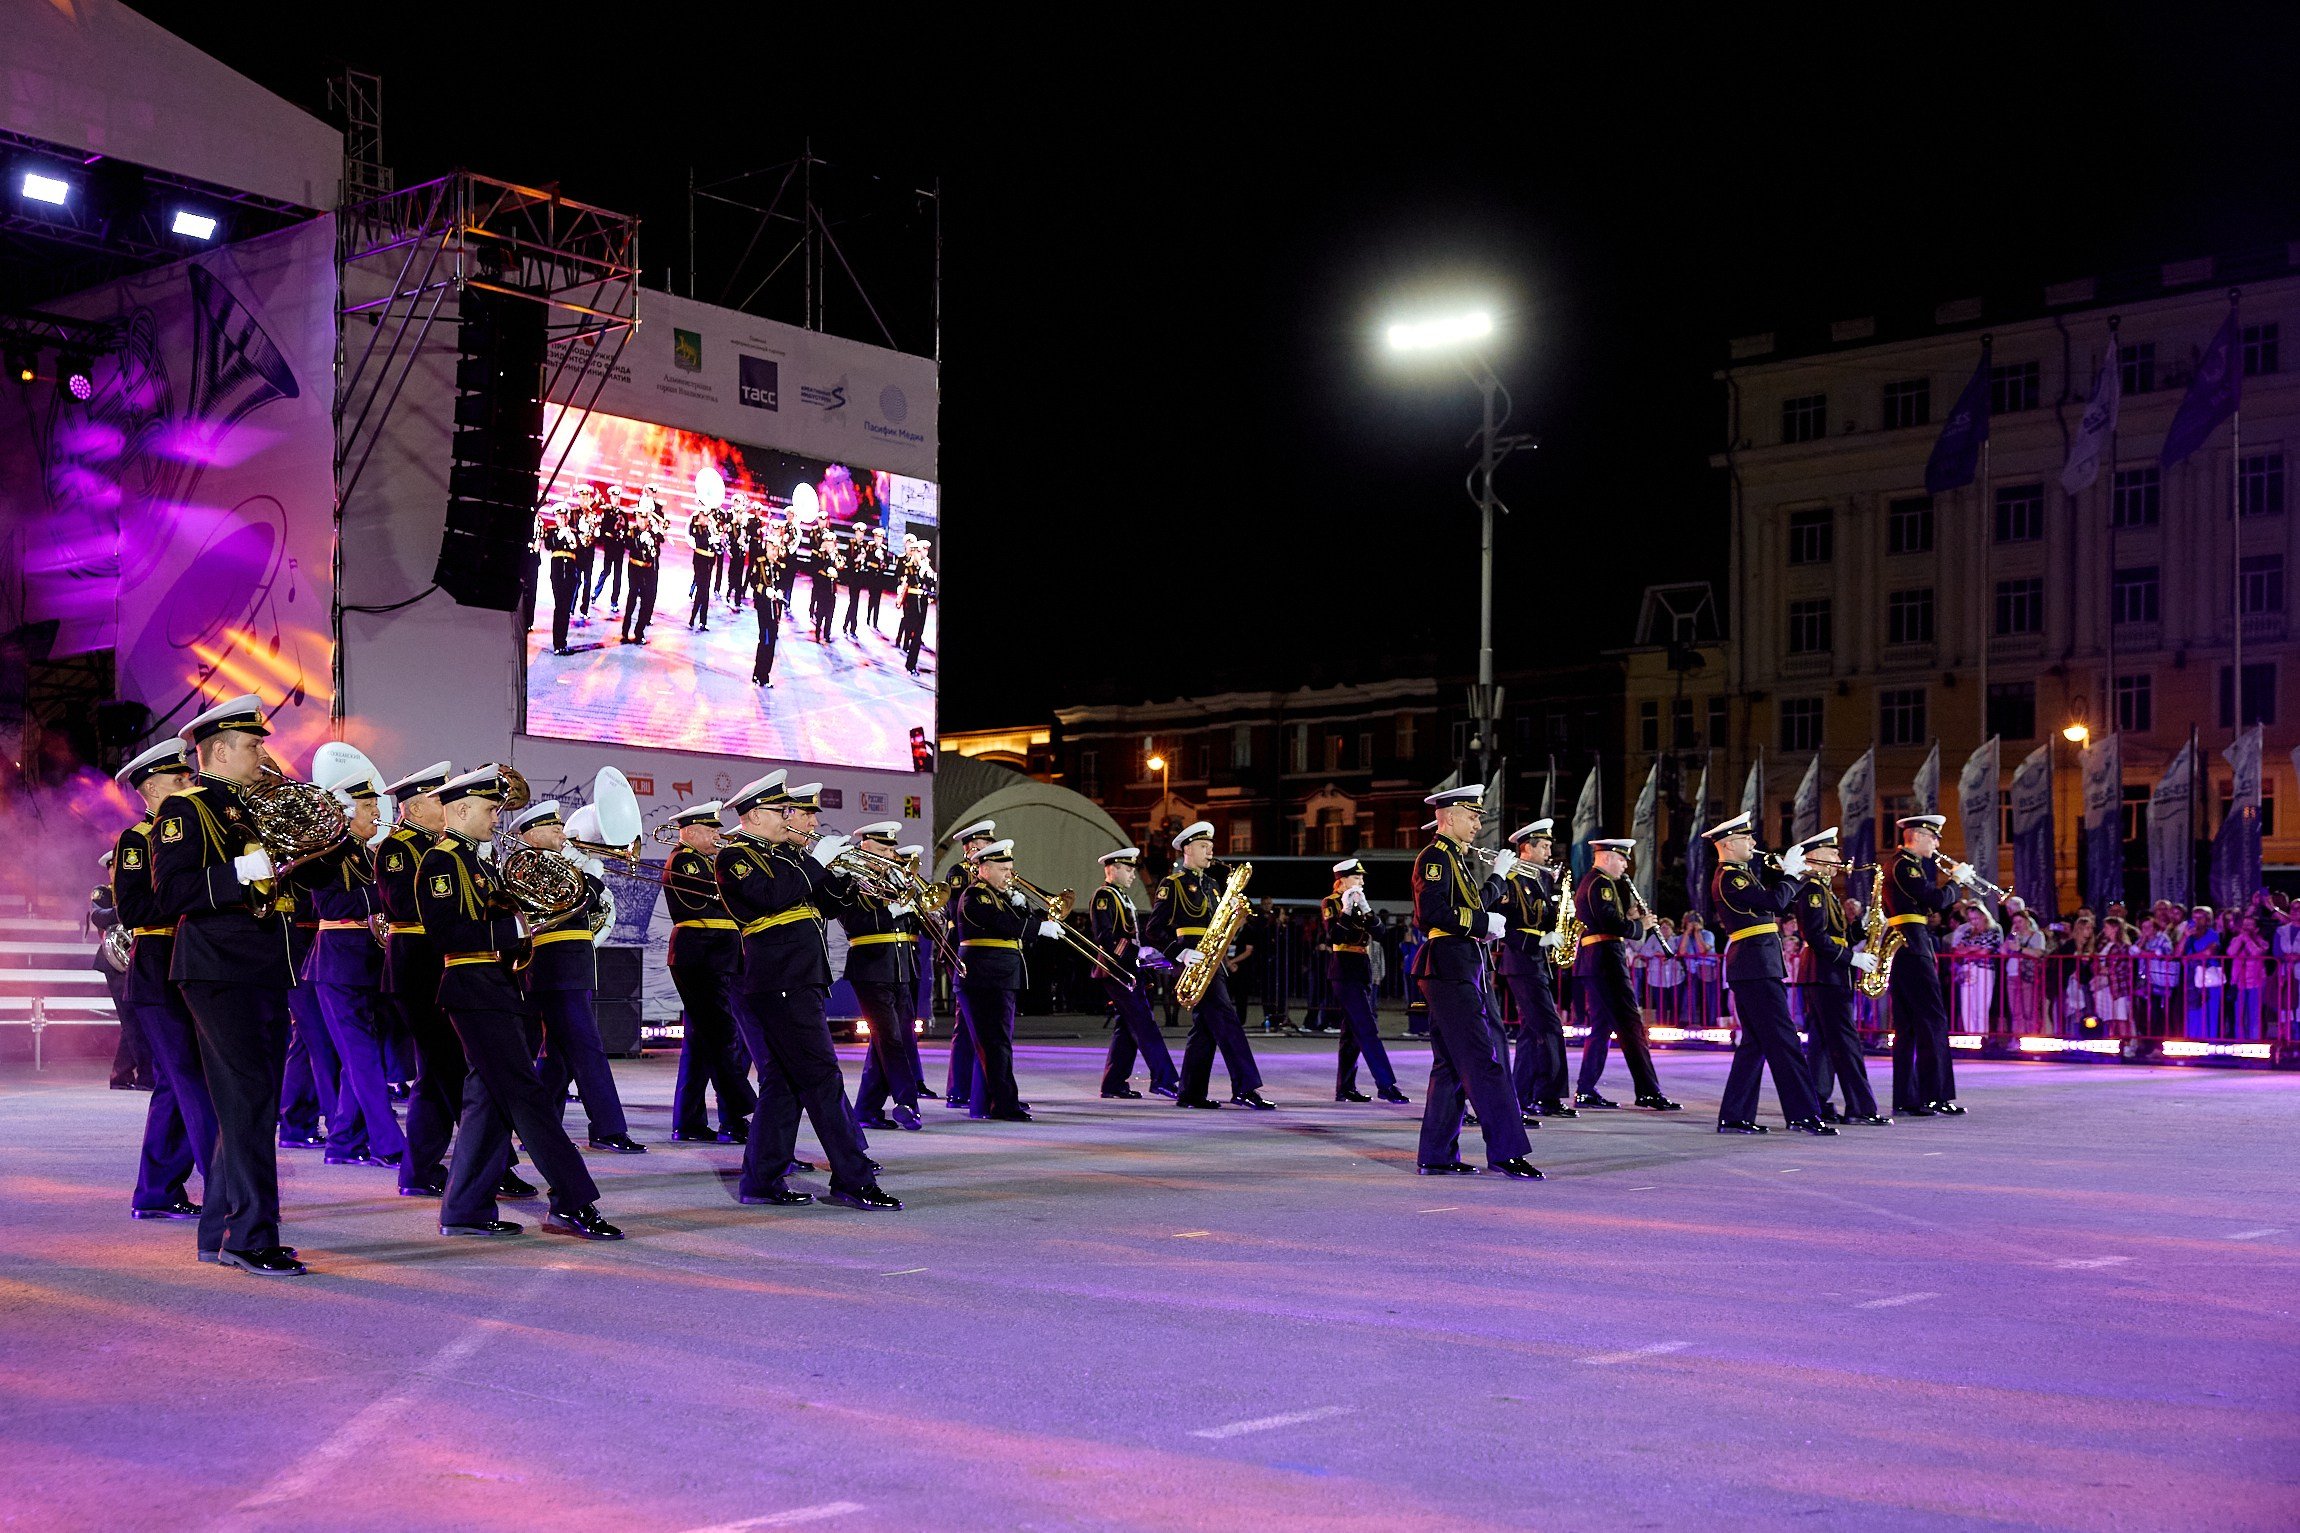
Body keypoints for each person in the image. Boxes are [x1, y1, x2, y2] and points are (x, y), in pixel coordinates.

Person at [145, 696, 315, 1275]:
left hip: (259, 967)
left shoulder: (246, 810)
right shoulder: (186, 810)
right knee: (247, 1101)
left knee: (252, 1102)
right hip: (217, 968)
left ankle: (221, 1231)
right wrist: (243, 873)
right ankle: (248, 1237)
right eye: (252, 744)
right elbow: (171, 894)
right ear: (218, 751)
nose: (263, 753)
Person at [418, 768, 622, 1242]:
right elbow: (445, 934)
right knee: (527, 1097)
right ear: (462, 809)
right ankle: (574, 1200)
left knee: (487, 1102)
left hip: (501, 989)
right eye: (490, 810)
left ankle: (465, 1208)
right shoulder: (441, 861)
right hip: (474, 990)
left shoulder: (482, 861)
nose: (497, 819)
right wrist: (515, 930)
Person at [714, 775, 900, 1209]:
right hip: (779, 977)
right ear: (756, 815)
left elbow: (827, 905)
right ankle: (853, 1178)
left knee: (783, 1083)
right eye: (782, 812)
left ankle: (760, 1181)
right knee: (822, 1076)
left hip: (798, 975)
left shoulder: (785, 855)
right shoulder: (735, 856)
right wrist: (816, 861)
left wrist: (844, 881)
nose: (791, 819)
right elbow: (771, 895)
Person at [1407, 787, 1542, 1179]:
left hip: (1459, 966)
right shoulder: (1435, 857)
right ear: (1449, 817)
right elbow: (1431, 912)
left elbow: (1473, 906)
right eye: (1473, 817)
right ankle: (1506, 1150)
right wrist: (1483, 925)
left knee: (1450, 1065)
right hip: (1449, 967)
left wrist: (1499, 877)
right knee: (1484, 1060)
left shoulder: (1456, 860)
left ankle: (1436, 1153)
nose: (1479, 825)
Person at [109, 739, 217, 1221]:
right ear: (150, 787)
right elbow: (132, 909)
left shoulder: (188, 829)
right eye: (178, 780)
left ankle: (156, 1191)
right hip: (157, 966)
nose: (188, 785)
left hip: (187, 961)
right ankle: (224, 1184)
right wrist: (188, 899)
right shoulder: (136, 839)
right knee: (188, 1080)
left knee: (178, 1083)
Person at [509, 801, 644, 1154]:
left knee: (559, 1057)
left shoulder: (565, 865)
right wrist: (592, 879)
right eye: (552, 828)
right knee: (588, 1048)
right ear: (532, 834)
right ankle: (608, 1127)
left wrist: (589, 878)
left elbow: (594, 906)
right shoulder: (527, 867)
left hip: (575, 963)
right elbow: (575, 900)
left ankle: (535, 1127)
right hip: (553, 965)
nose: (562, 833)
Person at [375, 761, 481, 1198]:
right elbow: (404, 905)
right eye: (440, 801)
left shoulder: (441, 847)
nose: (447, 809)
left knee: (436, 1073)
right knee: (451, 1070)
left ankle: (418, 1171)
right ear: (416, 808)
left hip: (434, 963)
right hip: (416, 965)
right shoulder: (398, 849)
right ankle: (489, 1163)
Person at [1704, 814, 1833, 1136]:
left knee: (1755, 1044)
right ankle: (1803, 1114)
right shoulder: (1731, 877)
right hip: (1755, 965)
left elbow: (1777, 901)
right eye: (1746, 839)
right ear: (1729, 844)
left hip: (1755, 964)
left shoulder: (1741, 874)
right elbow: (1774, 902)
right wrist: (1790, 874)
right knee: (1784, 1040)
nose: (1753, 843)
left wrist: (1798, 877)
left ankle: (1735, 1115)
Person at [304, 772, 405, 1168]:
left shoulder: (367, 852)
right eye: (367, 807)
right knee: (362, 1057)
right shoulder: (325, 852)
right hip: (337, 962)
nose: (377, 813)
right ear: (345, 814)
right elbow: (328, 907)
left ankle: (344, 1141)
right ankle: (386, 1142)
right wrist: (382, 891)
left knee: (360, 1057)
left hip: (366, 961)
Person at [1146, 821, 1272, 1109]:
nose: (1210, 851)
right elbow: (1154, 930)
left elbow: (1216, 927)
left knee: (1205, 1029)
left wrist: (1236, 921)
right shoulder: (1173, 884)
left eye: (1211, 847)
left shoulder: (1214, 886)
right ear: (1187, 849)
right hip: (1192, 959)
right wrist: (1180, 953)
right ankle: (1245, 1087)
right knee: (1227, 1021)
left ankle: (1190, 1093)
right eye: (1204, 846)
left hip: (1214, 960)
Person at [660, 799, 755, 1144]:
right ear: (693, 830)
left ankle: (689, 1122)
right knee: (724, 1037)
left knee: (702, 1043)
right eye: (712, 828)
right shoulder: (686, 860)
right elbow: (709, 900)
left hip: (715, 954)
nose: (718, 834)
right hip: (702, 955)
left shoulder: (704, 860)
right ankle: (738, 1113)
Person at [953, 838, 1058, 1121]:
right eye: (1003, 869)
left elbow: (1014, 924)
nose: (1009, 875)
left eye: (1010, 868)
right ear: (984, 868)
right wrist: (1039, 927)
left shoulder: (999, 896)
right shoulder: (977, 895)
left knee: (995, 1043)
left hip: (999, 976)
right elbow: (1003, 925)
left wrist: (1024, 907)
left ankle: (988, 1103)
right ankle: (1003, 1103)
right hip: (985, 978)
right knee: (995, 1043)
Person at [1573, 837, 1680, 1112]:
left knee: (1601, 1028)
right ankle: (1648, 1091)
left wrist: (1631, 918)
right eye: (1621, 859)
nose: (1624, 866)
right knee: (1632, 1027)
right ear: (1607, 856)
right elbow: (1609, 923)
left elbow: (1607, 920)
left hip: (1598, 961)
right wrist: (1638, 924)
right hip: (1606, 962)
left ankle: (1585, 1089)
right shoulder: (1601, 883)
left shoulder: (1596, 883)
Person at [1787, 828, 1886, 1126]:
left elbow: (1837, 935)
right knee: (1846, 1043)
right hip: (1825, 973)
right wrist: (1852, 958)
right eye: (1833, 854)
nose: (1839, 859)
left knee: (1823, 1044)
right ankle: (1861, 1108)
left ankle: (1819, 1102)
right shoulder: (1814, 890)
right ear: (1815, 858)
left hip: (1827, 973)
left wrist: (1863, 927)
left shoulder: (1824, 889)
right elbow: (1816, 936)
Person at [839, 821, 927, 1130]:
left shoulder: (894, 879)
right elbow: (852, 919)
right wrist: (891, 911)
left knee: (892, 1038)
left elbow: (917, 926)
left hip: (900, 966)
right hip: (870, 966)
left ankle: (867, 1108)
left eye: (891, 848)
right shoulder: (850, 879)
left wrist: (921, 908)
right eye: (882, 849)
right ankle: (907, 1102)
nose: (890, 854)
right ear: (864, 849)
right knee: (890, 1038)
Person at [1881, 814, 1968, 1117]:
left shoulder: (1900, 864)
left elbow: (1925, 902)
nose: (1937, 843)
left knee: (1908, 1027)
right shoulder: (1905, 864)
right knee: (1933, 1022)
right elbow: (1935, 898)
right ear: (1917, 836)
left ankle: (1908, 1098)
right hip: (1912, 946)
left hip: (1905, 945)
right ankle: (1936, 1095)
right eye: (1933, 837)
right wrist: (1958, 882)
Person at [1488, 819, 1572, 1117]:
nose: (1550, 851)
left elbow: (1544, 917)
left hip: (1535, 963)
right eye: (1545, 846)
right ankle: (1547, 1096)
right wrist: (1540, 939)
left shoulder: (1541, 879)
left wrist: (1564, 911)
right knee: (1549, 1028)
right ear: (1527, 848)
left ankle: (1520, 1096)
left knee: (1529, 1033)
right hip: (1521, 961)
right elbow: (1504, 927)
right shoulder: (1511, 879)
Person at [1090, 847, 1181, 1100]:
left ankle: (1113, 1083)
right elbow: (1105, 937)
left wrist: (1146, 957)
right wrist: (1137, 953)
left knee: (1127, 1026)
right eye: (1129, 870)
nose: (1133, 875)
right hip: (1116, 970)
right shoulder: (1105, 896)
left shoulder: (1120, 896)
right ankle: (1164, 1078)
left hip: (1128, 968)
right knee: (1144, 1024)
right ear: (1113, 869)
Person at [1325, 856, 1407, 1104]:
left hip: (1362, 968)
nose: (1361, 881)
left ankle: (1345, 1088)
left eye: (1361, 877)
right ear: (1341, 881)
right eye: (1356, 877)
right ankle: (1386, 1084)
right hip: (1344, 970)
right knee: (1368, 1029)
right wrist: (1348, 910)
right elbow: (1334, 935)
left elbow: (1380, 933)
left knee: (1351, 1033)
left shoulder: (1361, 903)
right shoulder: (1332, 903)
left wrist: (1368, 910)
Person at [939, 819, 999, 1110]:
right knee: (968, 1023)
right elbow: (959, 911)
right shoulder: (960, 874)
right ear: (972, 847)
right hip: (962, 950)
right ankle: (959, 1089)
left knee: (979, 1022)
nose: (991, 849)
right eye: (988, 845)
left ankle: (979, 1088)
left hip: (984, 953)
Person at [621, 494, 662, 644]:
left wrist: (653, 543)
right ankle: (625, 630)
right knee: (632, 599)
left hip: (648, 570)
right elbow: (628, 545)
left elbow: (657, 551)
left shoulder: (653, 533)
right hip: (634, 569)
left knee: (646, 602)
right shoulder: (632, 531)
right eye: (640, 517)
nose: (643, 521)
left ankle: (639, 632)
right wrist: (640, 540)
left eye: (645, 518)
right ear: (636, 518)